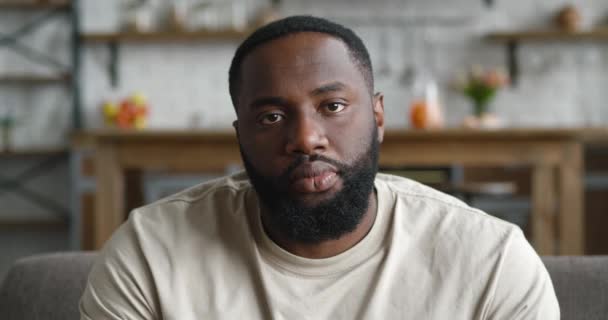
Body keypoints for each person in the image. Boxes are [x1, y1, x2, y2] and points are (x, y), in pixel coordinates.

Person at [80, 15, 559, 319]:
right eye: (271, 116)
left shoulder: (490, 261)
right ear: (240, 134)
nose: (306, 138)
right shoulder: (149, 254)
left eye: (332, 106)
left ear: (377, 117)